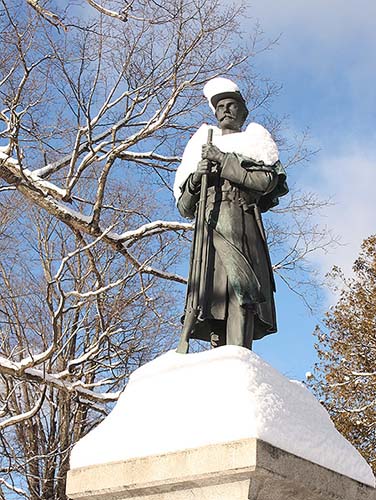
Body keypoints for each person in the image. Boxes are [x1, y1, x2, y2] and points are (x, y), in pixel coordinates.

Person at [174, 77, 288, 352]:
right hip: (208, 227)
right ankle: (218, 351)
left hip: (241, 224)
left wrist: (223, 160)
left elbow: (265, 183)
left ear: (243, 111)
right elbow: (185, 208)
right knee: (211, 295)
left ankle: (238, 352)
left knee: (241, 289)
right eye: (220, 106)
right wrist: (195, 180)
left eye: (231, 105)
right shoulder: (199, 149)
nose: (225, 110)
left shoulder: (253, 143)